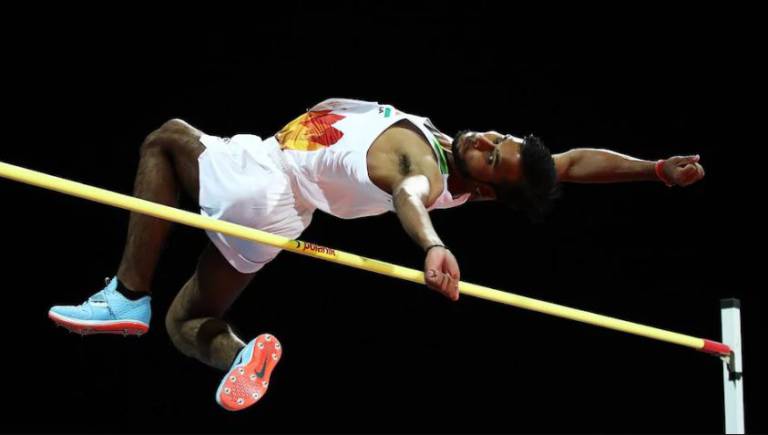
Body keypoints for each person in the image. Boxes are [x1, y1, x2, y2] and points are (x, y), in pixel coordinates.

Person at [47, 98, 705, 411]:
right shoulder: (458, 156)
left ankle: (126, 291)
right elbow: (568, 163)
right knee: (187, 324)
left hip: (269, 175)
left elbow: (411, 197)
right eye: (499, 139)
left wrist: (433, 246)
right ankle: (243, 353)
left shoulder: (425, 166)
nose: (488, 140)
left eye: (492, 156)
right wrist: (654, 170)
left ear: (479, 189)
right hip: (281, 212)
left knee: (165, 140)